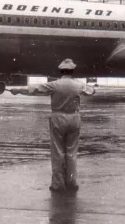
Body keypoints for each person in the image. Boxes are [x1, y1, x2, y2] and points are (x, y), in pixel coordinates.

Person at [10, 59, 95, 193]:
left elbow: (34, 89)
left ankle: (58, 184)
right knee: (71, 152)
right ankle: (72, 183)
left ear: (60, 71)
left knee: (57, 152)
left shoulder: (54, 85)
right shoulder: (78, 85)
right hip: (74, 118)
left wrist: (17, 90)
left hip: (58, 118)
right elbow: (92, 91)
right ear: (72, 71)